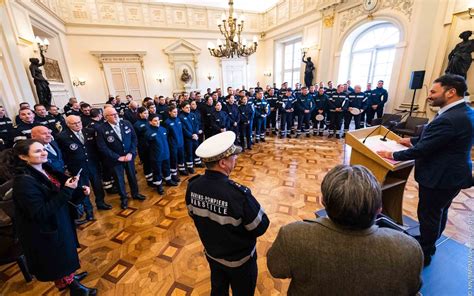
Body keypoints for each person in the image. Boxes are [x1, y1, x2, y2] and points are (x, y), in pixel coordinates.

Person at [267, 165, 423, 296]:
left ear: (324, 203)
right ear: (379, 209)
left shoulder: (293, 236)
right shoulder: (408, 248)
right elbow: (412, 289)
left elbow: (276, 269)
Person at [377, 74, 474, 266]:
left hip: (440, 176)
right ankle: (431, 243)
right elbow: (442, 139)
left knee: (429, 215)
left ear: (451, 92)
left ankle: (423, 254)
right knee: (440, 211)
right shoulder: (466, 112)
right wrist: (411, 140)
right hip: (454, 174)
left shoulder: (449, 118)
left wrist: (392, 155)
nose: (429, 95)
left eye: (433, 91)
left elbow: (424, 149)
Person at [186, 131, 269, 296]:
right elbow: (261, 227)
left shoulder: (192, 187)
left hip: (213, 254)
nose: (236, 158)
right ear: (223, 163)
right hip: (240, 262)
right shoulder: (238, 195)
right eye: (233, 156)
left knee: (218, 290)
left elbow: (193, 214)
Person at [11, 139, 97, 295]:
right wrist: (68, 190)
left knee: (65, 256)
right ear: (23, 157)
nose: (44, 152)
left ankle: (71, 279)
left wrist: (78, 191)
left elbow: (60, 190)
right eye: (37, 151)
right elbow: (40, 213)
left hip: (59, 220)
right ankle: (75, 289)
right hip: (45, 230)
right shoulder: (23, 182)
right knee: (58, 260)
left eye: (43, 149)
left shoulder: (45, 168)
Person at [57, 115, 111, 211]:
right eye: (74, 123)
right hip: (77, 167)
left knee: (97, 185)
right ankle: (88, 210)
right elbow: (62, 154)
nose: (78, 125)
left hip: (93, 164)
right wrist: (66, 167)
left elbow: (97, 147)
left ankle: (100, 203)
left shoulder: (89, 132)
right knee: (83, 189)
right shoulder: (62, 136)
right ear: (68, 124)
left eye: (79, 122)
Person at [96, 107, 146, 209]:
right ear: (106, 117)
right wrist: (118, 157)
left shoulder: (126, 123)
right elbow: (102, 147)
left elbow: (134, 138)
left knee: (132, 176)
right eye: (112, 114)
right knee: (119, 180)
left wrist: (131, 153)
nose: (116, 115)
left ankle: (135, 193)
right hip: (115, 160)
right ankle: (123, 198)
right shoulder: (101, 129)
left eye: (116, 113)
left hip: (129, 157)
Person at [146, 114, 177, 194]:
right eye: (155, 121)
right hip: (156, 156)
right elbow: (147, 145)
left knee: (167, 168)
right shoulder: (148, 133)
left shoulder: (163, 129)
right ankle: (159, 185)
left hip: (165, 153)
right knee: (157, 171)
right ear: (150, 122)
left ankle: (168, 180)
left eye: (158, 120)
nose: (157, 122)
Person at [165, 106, 187, 178]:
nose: (176, 114)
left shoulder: (178, 119)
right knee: (174, 159)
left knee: (181, 157)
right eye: (174, 112)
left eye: (176, 112)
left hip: (180, 142)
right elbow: (166, 135)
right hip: (173, 144)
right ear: (169, 112)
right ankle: (174, 174)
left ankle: (182, 169)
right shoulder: (167, 122)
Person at [133, 107, 153, 186]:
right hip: (144, 147)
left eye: (147, 113)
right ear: (140, 114)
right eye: (145, 113)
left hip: (152, 146)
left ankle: (155, 176)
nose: (147, 115)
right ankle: (149, 179)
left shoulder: (150, 121)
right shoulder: (137, 124)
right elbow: (135, 138)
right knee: (147, 163)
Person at [179, 102, 199, 174]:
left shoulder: (192, 115)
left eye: (189, 107)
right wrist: (191, 135)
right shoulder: (180, 117)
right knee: (189, 152)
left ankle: (197, 162)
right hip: (188, 138)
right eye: (186, 108)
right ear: (182, 108)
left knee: (196, 149)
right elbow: (183, 129)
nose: (188, 109)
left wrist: (196, 133)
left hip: (195, 136)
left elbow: (196, 124)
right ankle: (190, 167)